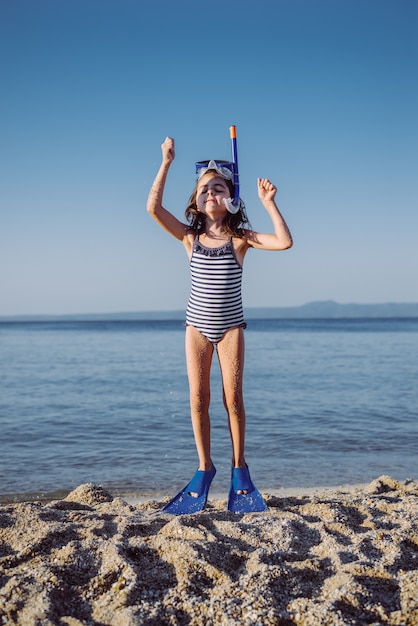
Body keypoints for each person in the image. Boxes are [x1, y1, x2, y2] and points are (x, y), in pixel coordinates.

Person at [147, 136, 293, 514]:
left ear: (231, 198)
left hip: (230, 329)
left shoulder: (241, 239)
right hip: (196, 328)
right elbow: (152, 208)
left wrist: (269, 204)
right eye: (204, 189)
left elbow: (284, 242)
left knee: (233, 400)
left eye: (219, 187)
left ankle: (239, 469)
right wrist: (166, 163)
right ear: (196, 201)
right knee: (198, 400)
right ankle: (204, 467)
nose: (211, 192)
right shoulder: (189, 237)